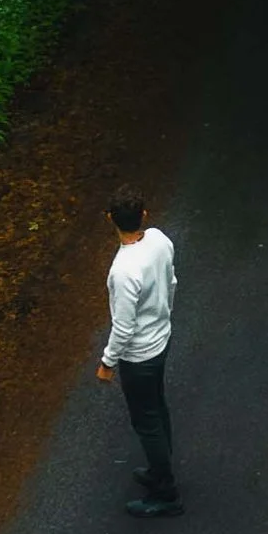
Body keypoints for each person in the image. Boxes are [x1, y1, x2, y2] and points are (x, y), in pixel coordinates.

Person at [97, 189, 179, 516]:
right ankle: (161, 465)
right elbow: (171, 281)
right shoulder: (159, 240)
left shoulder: (122, 270)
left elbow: (123, 327)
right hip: (161, 339)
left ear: (110, 220)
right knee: (157, 406)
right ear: (144, 215)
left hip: (139, 356)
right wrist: (165, 316)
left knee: (146, 422)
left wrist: (107, 362)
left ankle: (166, 493)